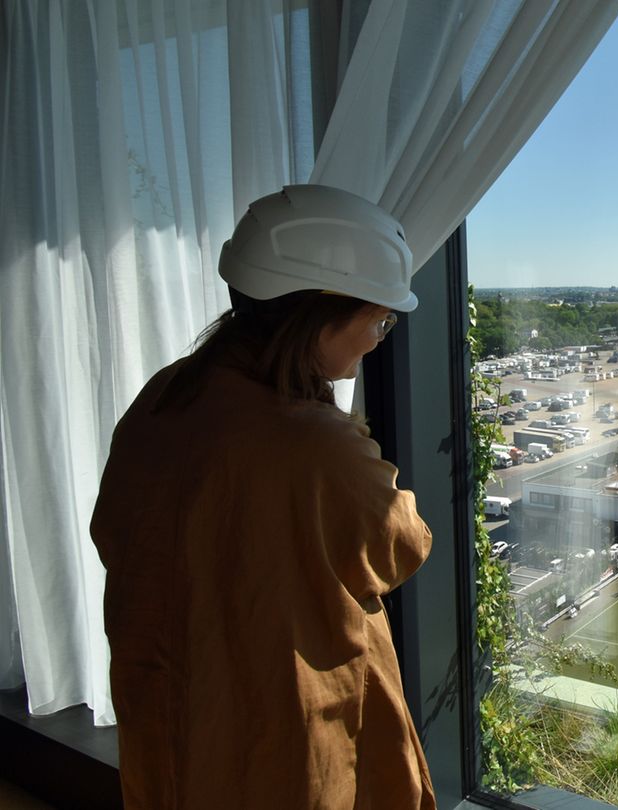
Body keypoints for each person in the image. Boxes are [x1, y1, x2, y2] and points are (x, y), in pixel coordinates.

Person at [90, 185, 436, 809]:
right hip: (279, 712)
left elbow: (117, 527)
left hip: (169, 692)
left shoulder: (166, 395)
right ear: (319, 314)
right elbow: (400, 547)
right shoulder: (313, 443)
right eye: (380, 318)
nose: (381, 336)